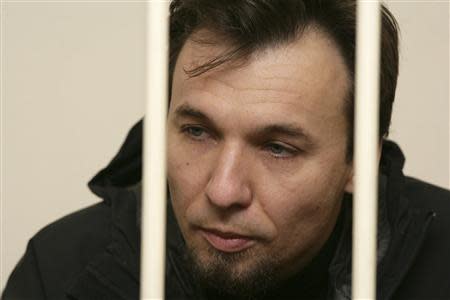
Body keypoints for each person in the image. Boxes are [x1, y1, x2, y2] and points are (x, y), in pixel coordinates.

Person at [3, 1, 450, 299]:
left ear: (360, 160)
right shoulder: (61, 273)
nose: (223, 190)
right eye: (198, 132)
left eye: (277, 147)